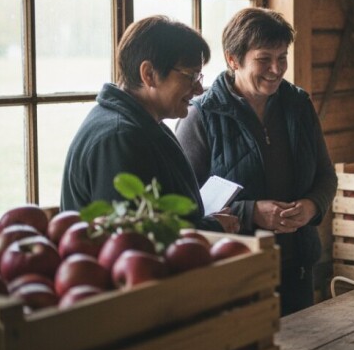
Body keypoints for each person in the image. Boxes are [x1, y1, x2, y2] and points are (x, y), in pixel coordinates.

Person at [176, 7, 336, 315]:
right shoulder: (201, 115)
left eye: (282, 57)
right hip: (235, 274)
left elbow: (326, 176)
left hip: (298, 269)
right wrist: (251, 213)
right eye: (264, 59)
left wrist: (312, 206)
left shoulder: (298, 105)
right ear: (233, 59)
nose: (276, 69)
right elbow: (186, 206)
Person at [61, 15, 239, 233]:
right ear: (149, 74)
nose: (199, 89)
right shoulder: (119, 137)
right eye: (190, 76)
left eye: (199, 77)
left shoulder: (145, 124)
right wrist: (212, 227)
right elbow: (130, 237)